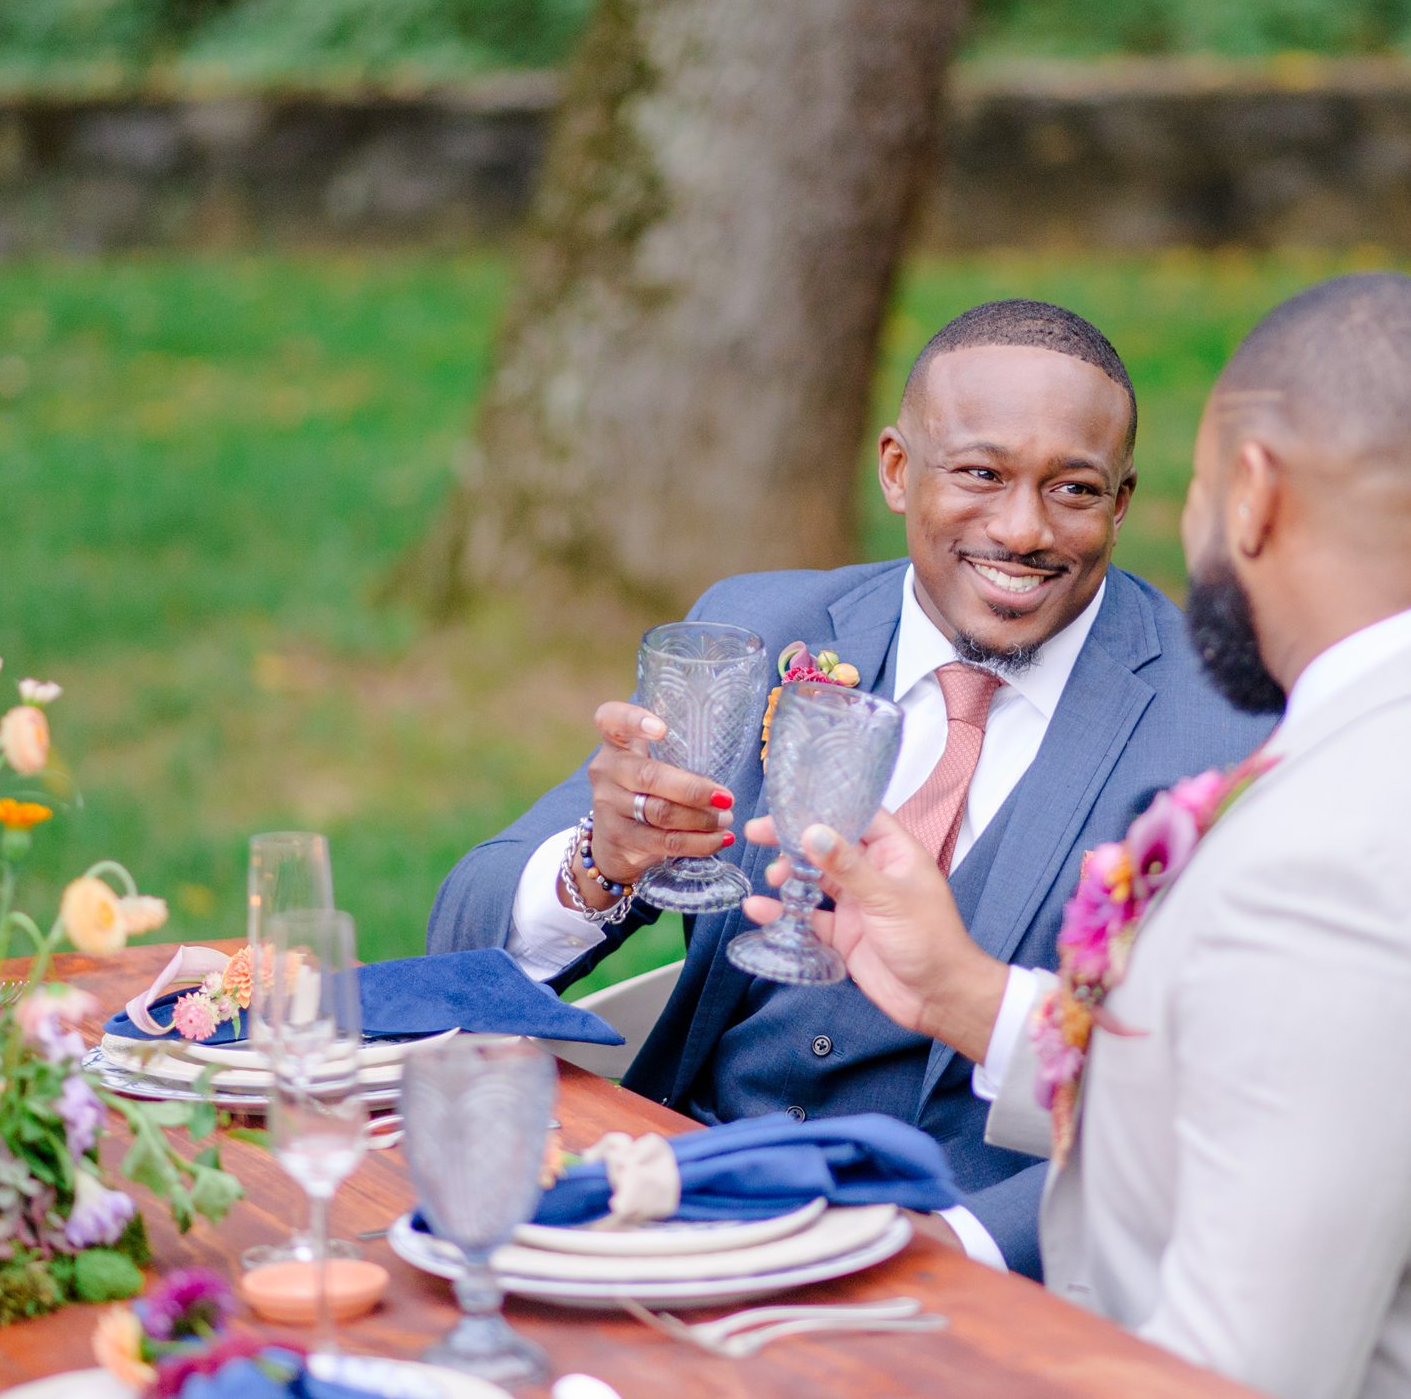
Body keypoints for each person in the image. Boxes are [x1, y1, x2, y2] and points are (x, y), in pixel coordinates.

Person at [745, 273, 1411, 1399]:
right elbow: (1311, 1082)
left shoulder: (1324, 860)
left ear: (1251, 496)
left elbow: (1235, 1372)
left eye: (1190, 497)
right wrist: (967, 996)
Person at [427, 299, 1276, 1279]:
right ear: (896, 469)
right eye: (981, 473)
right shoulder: (756, 625)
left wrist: (952, 1252)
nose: (1023, 527)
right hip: (674, 1206)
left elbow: (1219, 1114)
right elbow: (461, 940)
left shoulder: (1223, 735)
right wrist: (597, 865)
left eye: (1074, 489)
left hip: (952, 1277)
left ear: (1122, 503)